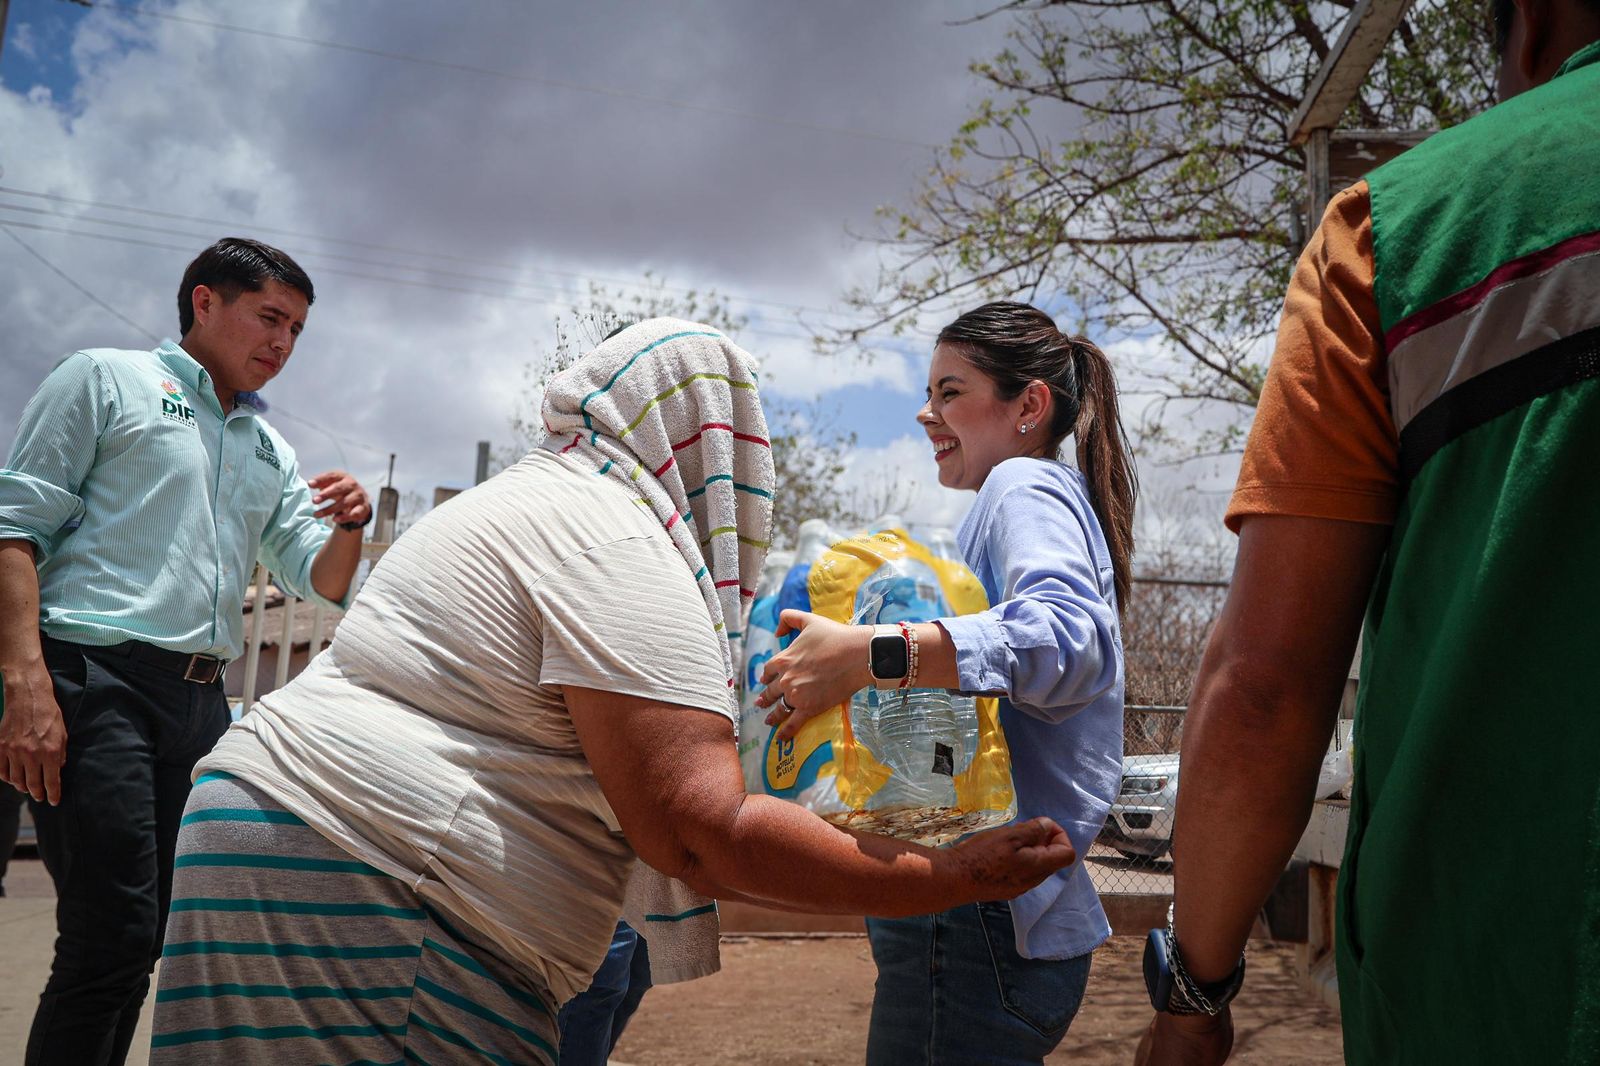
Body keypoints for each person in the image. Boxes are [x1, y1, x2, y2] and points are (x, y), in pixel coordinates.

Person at [145, 319, 1078, 1065]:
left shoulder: (516, 500)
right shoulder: (616, 540)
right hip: (379, 888)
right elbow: (699, 833)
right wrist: (944, 876)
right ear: (719, 450)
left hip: (275, 841)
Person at [1134, 2, 1600, 1063]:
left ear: (1528, 24)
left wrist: (1191, 994)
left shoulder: (1396, 230)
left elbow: (1263, 687)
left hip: (1488, 990)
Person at [0, 237, 372, 1066]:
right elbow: (13, 529)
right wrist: (25, 686)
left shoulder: (266, 448)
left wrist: (352, 524)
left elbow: (319, 578)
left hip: (202, 708)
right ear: (204, 302)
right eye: (270, 317)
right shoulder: (105, 379)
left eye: (298, 330)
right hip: (97, 682)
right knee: (110, 939)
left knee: (158, 935)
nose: (282, 343)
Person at [757, 300, 1138, 1066]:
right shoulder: (1009, 501)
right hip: (981, 927)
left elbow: (1070, 638)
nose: (927, 413)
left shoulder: (1022, 485)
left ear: (1029, 405)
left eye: (950, 392)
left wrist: (873, 652)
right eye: (929, 392)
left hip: (977, 928)